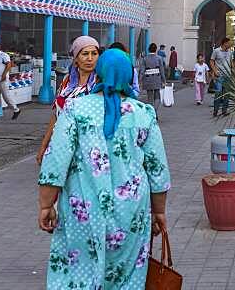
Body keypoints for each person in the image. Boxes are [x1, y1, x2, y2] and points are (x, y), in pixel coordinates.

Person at [37, 48, 171, 289]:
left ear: (98, 74)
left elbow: (56, 161)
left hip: (84, 209)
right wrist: (159, 211)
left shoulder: (75, 109)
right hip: (132, 211)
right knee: (127, 277)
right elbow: (157, 169)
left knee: (79, 272)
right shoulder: (144, 113)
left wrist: (46, 204)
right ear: (129, 76)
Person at [36, 36, 99, 164]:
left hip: (90, 149)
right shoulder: (67, 83)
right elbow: (56, 115)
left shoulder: (100, 83)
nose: (90, 58)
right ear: (75, 58)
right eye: (85, 54)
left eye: (94, 53)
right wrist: (44, 145)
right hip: (62, 145)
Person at [210, 37, 233, 117]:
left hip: (228, 75)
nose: (230, 44)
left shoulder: (230, 52)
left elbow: (232, 63)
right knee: (218, 93)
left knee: (227, 94)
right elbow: (211, 61)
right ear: (225, 43)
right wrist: (215, 70)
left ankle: (224, 111)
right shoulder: (216, 51)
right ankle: (215, 111)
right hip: (219, 76)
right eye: (229, 43)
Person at [137, 43, 163, 109]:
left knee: (150, 97)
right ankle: (155, 110)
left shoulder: (145, 59)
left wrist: (139, 80)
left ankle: (152, 112)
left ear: (148, 50)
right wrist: (164, 80)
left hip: (148, 80)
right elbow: (162, 70)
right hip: (157, 78)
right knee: (157, 96)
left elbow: (142, 71)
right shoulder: (159, 58)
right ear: (156, 49)